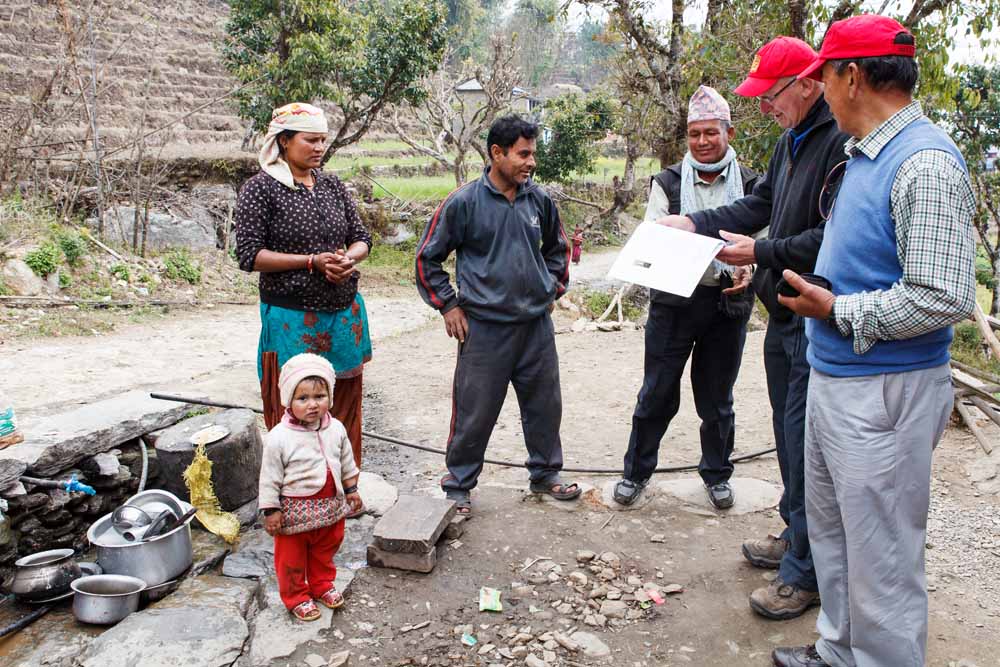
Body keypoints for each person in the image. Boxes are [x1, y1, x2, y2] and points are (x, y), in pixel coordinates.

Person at [771, 15, 976, 667]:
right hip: (839, 376)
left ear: (851, 76)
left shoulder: (925, 161)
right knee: (835, 537)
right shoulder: (866, 154)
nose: (822, 92)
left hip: (886, 389)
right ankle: (839, 651)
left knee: (882, 551)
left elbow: (945, 294)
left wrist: (839, 309)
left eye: (823, 77)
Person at [658, 37, 850, 621]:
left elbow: (832, 238)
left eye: (771, 95)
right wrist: (693, 221)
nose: (765, 106)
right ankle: (796, 536)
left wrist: (760, 254)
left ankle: (804, 576)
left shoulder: (838, 144)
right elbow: (758, 202)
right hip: (783, 314)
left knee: (804, 446)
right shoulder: (792, 141)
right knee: (791, 446)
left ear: (807, 84)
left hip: (815, 316)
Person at [415, 114, 577, 515]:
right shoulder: (463, 202)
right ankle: (458, 486)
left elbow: (558, 251)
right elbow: (426, 259)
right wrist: (448, 304)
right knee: (475, 409)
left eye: (532, 154)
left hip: (536, 327)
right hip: (484, 329)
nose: (530, 162)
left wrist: (551, 288)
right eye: (523, 154)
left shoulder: (538, 200)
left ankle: (545, 475)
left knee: (544, 404)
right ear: (497, 153)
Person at [613, 86, 759, 511]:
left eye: (711, 132)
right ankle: (636, 473)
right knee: (657, 391)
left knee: (717, 397)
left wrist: (750, 269)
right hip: (674, 304)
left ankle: (716, 475)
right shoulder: (667, 183)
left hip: (727, 305)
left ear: (728, 132)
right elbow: (653, 238)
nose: (702, 141)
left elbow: (765, 242)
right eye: (694, 134)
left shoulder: (752, 184)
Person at [235, 103, 372, 504]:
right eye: (310, 140)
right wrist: (311, 262)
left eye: (322, 141)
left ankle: (345, 488)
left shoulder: (332, 187)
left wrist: (350, 258)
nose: (319, 148)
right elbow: (250, 255)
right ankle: (294, 496)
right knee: (294, 402)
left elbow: (361, 237)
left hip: (343, 314)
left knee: (342, 400)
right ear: (283, 141)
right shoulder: (259, 189)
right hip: (292, 317)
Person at [258, 353, 363, 622]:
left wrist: (351, 491)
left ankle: (321, 584)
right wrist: (271, 510)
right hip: (293, 513)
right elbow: (269, 477)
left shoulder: (336, 428)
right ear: (288, 401)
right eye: (302, 398)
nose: (313, 405)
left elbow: (346, 461)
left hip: (330, 507)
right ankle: (296, 597)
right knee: (291, 560)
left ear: (330, 395)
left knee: (325, 550)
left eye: (320, 397)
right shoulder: (279, 437)